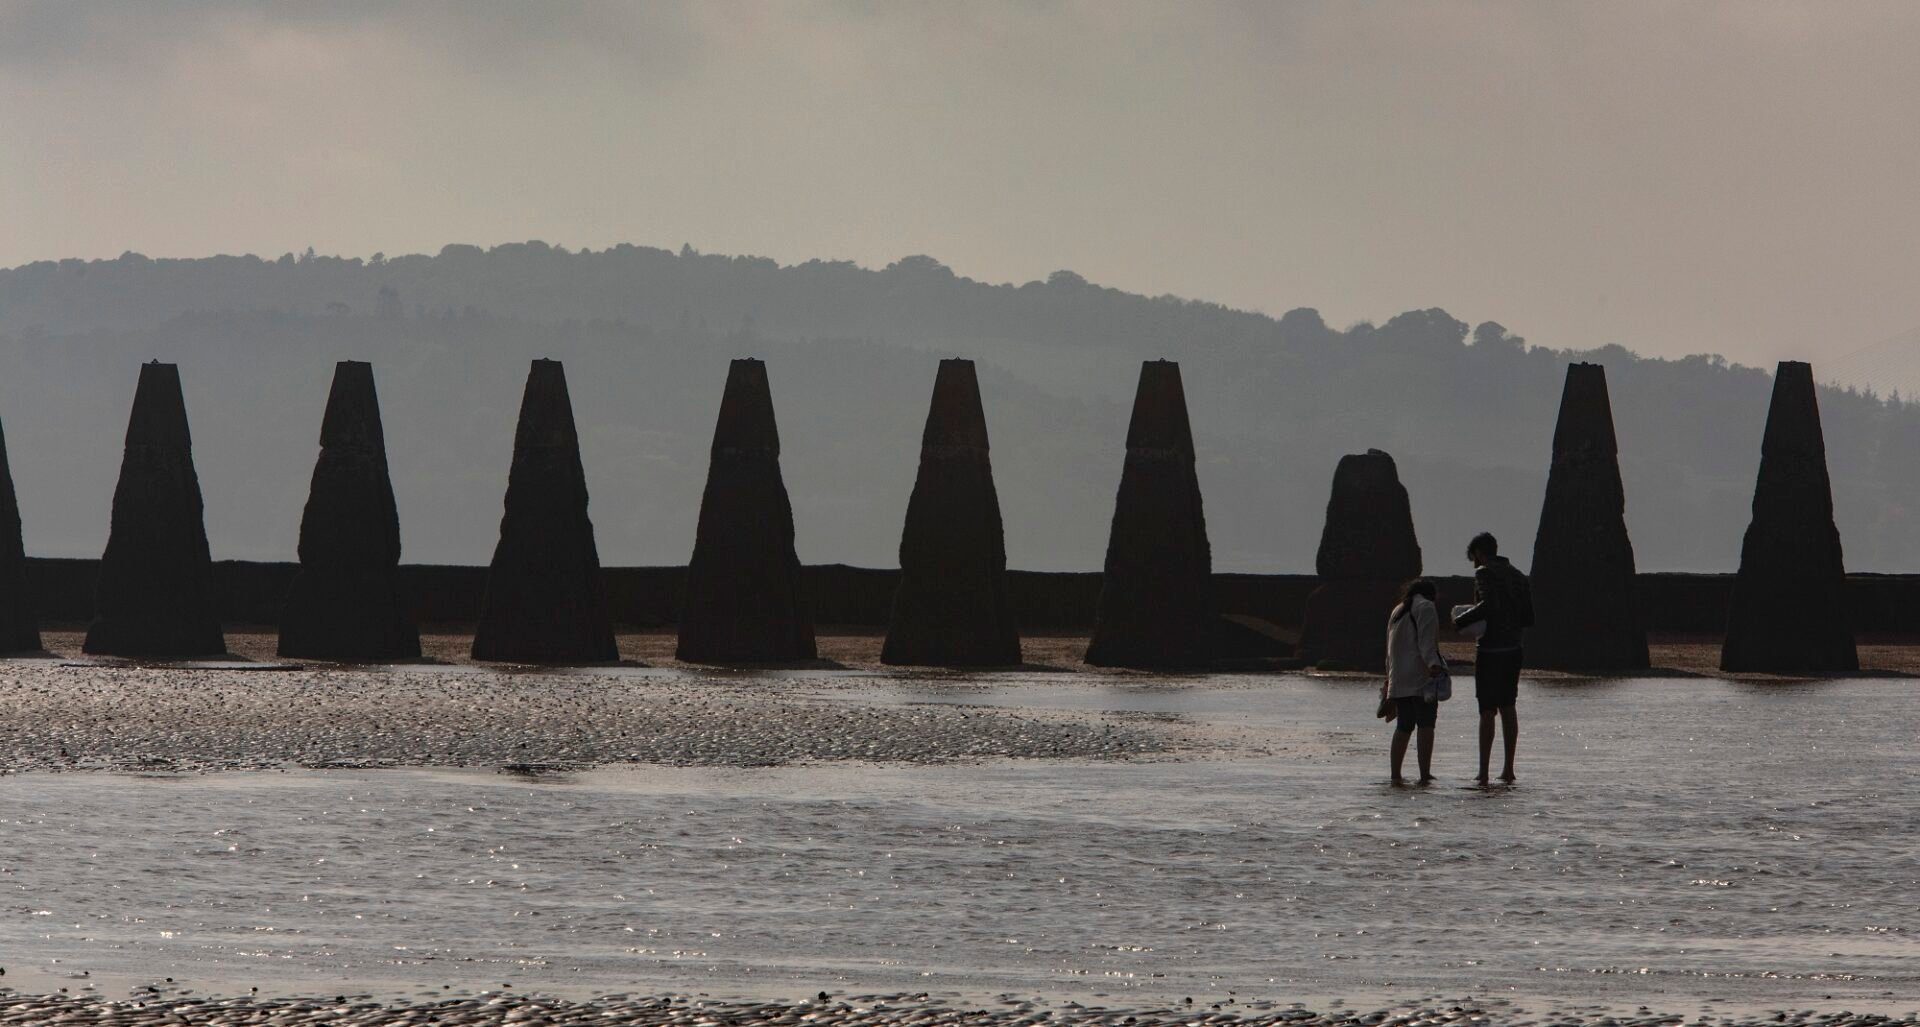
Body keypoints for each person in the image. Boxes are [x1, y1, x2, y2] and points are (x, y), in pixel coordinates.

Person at [1452, 532, 1533, 784]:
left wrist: (1460, 621)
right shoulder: (1519, 576)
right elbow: (1528, 616)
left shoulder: (1484, 573)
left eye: (1474, 558)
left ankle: (1484, 772)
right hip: (1514, 649)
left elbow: (1487, 605)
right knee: (1509, 706)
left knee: (1487, 710)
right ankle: (1508, 769)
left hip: (1490, 650)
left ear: (1478, 552)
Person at [1382, 578, 1445, 785]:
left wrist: (1389, 679)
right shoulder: (1426, 608)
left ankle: (1395, 775)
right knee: (1426, 724)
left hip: (1398, 677)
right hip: (1420, 676)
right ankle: (1424, 774)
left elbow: (1389, 650)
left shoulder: (1397, 610)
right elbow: (1427, 643)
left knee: (1404, 726)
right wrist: (1434, 666)